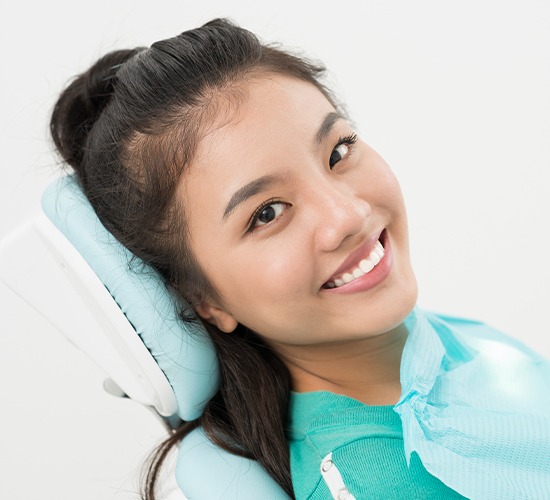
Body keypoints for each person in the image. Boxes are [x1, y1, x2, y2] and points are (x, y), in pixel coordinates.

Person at [50, 18, 550, 500]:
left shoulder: (435, 343)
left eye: (338, 152)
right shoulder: (375, 478)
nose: (348, 214)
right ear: (202, 297)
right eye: (267, 213)